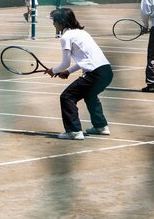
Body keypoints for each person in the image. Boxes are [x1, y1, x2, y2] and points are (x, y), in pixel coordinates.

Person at [46, 8, 114, 140]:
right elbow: (85, 59)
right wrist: (68, 72)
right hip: (106, 71)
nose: (53, 24)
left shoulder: (66, 37)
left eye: (54, 21)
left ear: (61, 22)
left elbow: (65, 62)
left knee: (67, 97)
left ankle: (74, 131)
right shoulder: (82, 33)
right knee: (90, 95)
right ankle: (101, 127)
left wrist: (53, 70)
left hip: (94, 73)